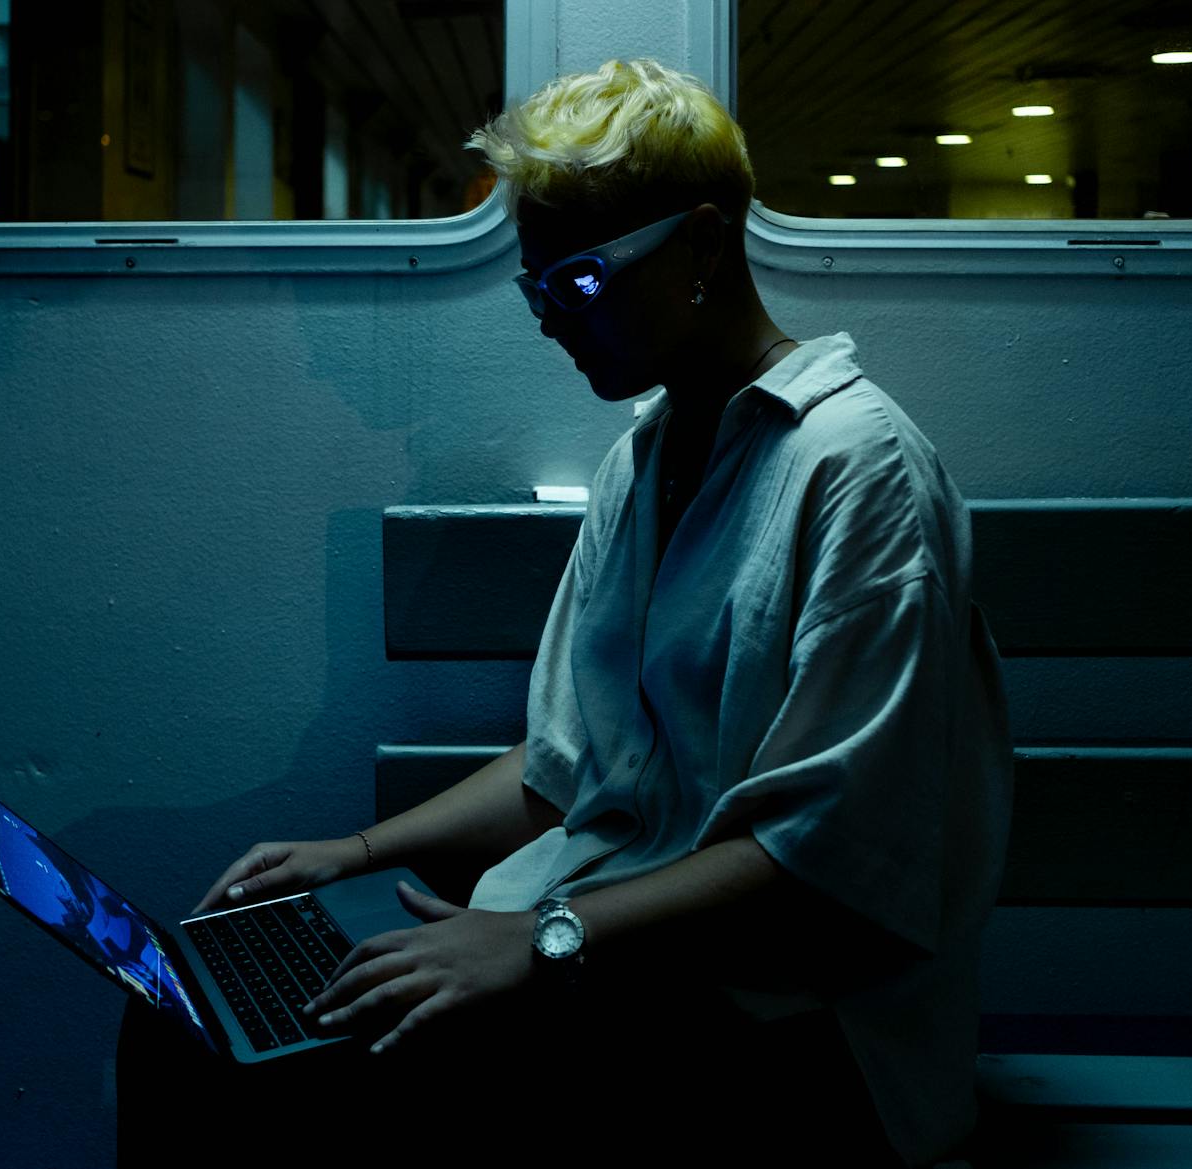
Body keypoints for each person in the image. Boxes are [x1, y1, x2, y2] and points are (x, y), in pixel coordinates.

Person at [164, 58, 1014, 1166]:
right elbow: (562, 766)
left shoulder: (858, 471)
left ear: (703, 247)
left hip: (791, 1019)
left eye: (577, 283)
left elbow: (822, 853)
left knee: (282, 1078)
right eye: (532, 292)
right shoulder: (646, 457)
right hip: (605, 951)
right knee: (202, 1018)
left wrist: (541, 939)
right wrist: (354, 851)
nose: (550, 323)